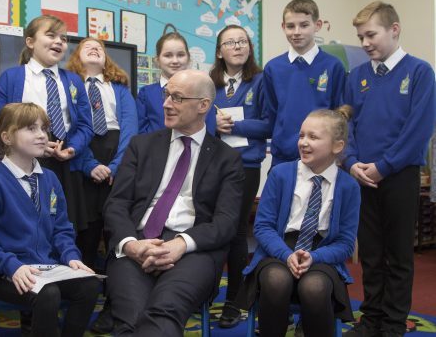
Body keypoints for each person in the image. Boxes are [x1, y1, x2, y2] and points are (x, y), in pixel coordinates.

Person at [104, 69, 245, 336]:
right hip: (137, 244)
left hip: (194, 251)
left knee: (163, 311)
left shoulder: (227, 159)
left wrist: (182, 244)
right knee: (132, 319)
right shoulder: (141, 146)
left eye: (177, 98)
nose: (167, 104)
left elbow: (226, 223)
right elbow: (116, 204)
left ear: (203, 105)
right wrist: (131, 245)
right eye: (166, 95)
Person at [342, 1, 436, 337]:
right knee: (370, 253)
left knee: (397, 255)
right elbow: (346, 126)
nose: (365, 42)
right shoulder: (357, 77)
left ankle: (393, 323)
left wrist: (384, 166)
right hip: (362, 178)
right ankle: (371, 319)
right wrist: (351, 163)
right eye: (360, 36)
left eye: (371, 34)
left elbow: (418, 130)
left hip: (398, 177)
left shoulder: (420, 72)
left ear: (393, 29)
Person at [0, 102, 100, 337]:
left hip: (45, 268)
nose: (41, 135)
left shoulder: (49, 179)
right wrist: (12, 265)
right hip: (3, 272)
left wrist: (70, 257)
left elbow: (61, 229)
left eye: (43, 128)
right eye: (31, 129)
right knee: (48, 294)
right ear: (7, 137)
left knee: (89, 285)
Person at [235, 106, 359, 337]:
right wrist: (286, 254)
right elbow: (263, 226)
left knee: (315, 287)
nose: (303, 142)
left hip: (322, 253)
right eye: (301, 135)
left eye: (313, 137)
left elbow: (345, 243)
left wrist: (315, 257)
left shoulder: (349, 186)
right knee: (276, 280)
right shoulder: (281, 174)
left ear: (337, 146)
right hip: (278, 249)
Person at [0, 15, 93, 230]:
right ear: (30, 42)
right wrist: (32, 145)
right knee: (27, 224)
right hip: (23, 160)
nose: (59, 42)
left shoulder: (73, 80)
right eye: (51, 35)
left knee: (63, 225)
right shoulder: (12, 77)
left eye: (63, 38)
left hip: (64, 161)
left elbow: (85, 125)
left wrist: (72, 149)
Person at [67, 37, 138, 334]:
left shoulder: (119, 88)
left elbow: (130, 130)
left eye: (99, 46)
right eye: (87, 46)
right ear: (76, 56)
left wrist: (113, 167)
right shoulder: (69, 85)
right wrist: (88, 164)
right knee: (85, 233)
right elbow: (70, 128)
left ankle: (113, 306)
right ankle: (78, 301)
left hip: (115, 159)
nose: (94, 48)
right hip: (82, 156)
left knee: (114, 237)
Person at [209, 25, 270, 329]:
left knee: (234, 232)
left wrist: (234, 125)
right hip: (210, 166)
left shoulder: (261, 81)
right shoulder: (209, 82)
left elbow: (270, 124)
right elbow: (197, 119)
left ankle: (234, 300)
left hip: (245, 167)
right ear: (219, 51)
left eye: (242, 41)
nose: (237, 46)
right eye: (230, 42)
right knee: (209, 228)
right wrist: (213, 125)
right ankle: (205, 292)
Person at [264, 0, 346, 167]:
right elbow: (272, 115)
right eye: (290, 26)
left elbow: (339, 114)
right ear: (283, 27)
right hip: (282, 159)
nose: (297, 32)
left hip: (322, 159)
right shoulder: (273, 68)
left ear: (317, 25)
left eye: (304, 25)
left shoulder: (333, 65)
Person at [136, 24, 190, 134]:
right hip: (155, 150)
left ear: (188, 58)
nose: (175, 60)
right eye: (168, 55)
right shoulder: (146, 94)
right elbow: (140, 131)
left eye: (180, 55)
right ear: (157, 60)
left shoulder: (199, 91)